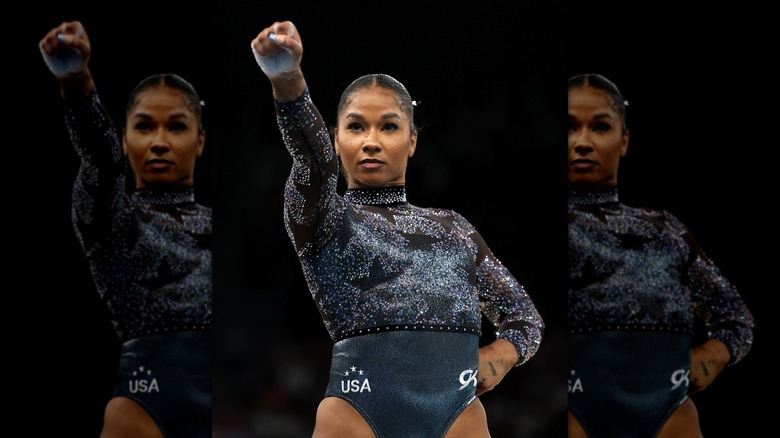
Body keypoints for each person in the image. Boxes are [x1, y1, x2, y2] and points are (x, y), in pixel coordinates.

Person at [249, 20, 544, 438]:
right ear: (335, 139)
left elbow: (524, 317)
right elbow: (313, 162)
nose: (371, 140)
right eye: (355, 126)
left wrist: (500, 353)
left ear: (412, 141)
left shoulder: (453, 228)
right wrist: (288, 83)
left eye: (388, 126)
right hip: (356, 411)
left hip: (457, 415)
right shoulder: (324, 217)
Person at [39, 21, 211, 438]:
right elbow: (100, 158)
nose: (158, 141)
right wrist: (77, 82)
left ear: (199, 140)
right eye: (145, 126)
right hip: (145, 403)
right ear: (125, 138)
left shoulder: (214, 222)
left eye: (175, 126)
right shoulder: (111, 218)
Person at [567, 73, 755, 438]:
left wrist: (710, 358)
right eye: (570, 127)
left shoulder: (664, 230)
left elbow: (736, 319)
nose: (583, 142)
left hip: (667, 410)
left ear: (623, 141)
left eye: (600, 127)